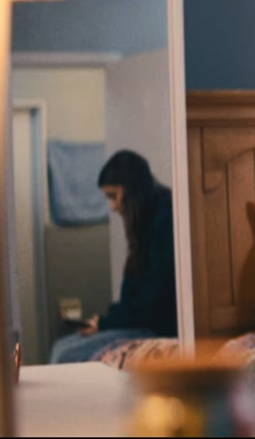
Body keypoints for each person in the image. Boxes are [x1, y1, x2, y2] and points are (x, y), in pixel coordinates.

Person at [49, 150, 178, 364]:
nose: (112, 206)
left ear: (131, 190)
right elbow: (133, 292)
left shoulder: (165, 218)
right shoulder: (142, 220)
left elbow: (152, 300)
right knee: (61, 345)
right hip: (140, 322)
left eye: (113, 196)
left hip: (156, 328)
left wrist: (106, 323)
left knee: (66, 355)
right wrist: (105, 320)